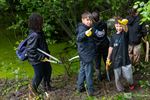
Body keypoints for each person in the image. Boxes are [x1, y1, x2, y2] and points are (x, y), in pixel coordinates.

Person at [106, 17, 134, 92]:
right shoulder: (113, 36)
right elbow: (111, 47)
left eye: (120, 26)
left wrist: (123, 24)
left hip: (125, 58)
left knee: (128, 76)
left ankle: (131, 84)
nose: (119, 28)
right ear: (115, 26)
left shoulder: (125, 34)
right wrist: (108, 58)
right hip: (115, 59)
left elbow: (126, 29)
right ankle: (121, 89)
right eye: (117, 26)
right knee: (117, 77)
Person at [27, 13, 52, 95]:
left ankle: (47, 86)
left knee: (48, 70)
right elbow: (31, 50)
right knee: (39, 75)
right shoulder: (34, 35)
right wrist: (40, 57)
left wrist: (47, 54)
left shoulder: (40, 32)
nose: (43, 23)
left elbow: (43, 45)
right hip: (36, 59)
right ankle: (32, 91)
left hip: (44, 57)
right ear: (36, 23)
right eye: (41, 21)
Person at [76, 11, 96, 96]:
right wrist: (85, 34)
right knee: (89, 73)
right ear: (82, 20)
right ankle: (90, 91)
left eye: (90, 20)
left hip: (83, 54)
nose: (89, 22)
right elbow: (78, 38)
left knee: (82, 71)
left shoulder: (87, 27)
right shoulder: (82, 29)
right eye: (87, 20)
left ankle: (80, 87)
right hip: (86, 55)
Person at [92, 11, 110, 81]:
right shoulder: (104, 24)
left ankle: (99, 78)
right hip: (105, 45)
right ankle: (108, 76)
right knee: (106, 60)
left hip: (96, 47)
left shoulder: (92, 27)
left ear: (93, 19)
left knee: (97, 63)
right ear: (99, 17)